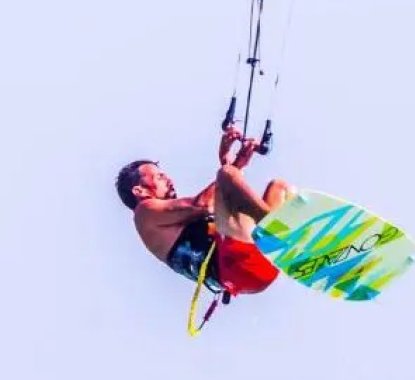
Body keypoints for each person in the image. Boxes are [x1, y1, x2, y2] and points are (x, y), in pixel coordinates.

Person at [116, 125, 294, 300]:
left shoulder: (168, 219)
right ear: (139, 191)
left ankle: (286, 239)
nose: (168, 179)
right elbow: (202, 205)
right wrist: (231, 166)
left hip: (254, 266)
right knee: (226, 174)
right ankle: (274, 226)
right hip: (238, 266)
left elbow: (223, 199)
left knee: (280, 188)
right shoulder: (144, 213)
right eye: (159, 177)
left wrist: (235, 164)